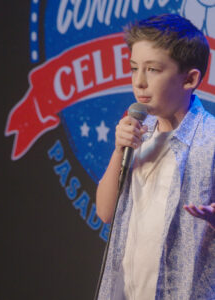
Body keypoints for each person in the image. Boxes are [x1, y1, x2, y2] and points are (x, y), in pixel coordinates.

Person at [96, 14, 215, 299]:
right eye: (134, 68)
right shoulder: (138, 132)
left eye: (152, 70)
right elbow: (105, 211)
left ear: (190, 78)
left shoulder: (210, 141)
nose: (139, 82)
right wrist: (118, 151)